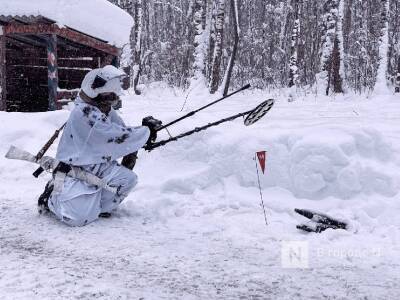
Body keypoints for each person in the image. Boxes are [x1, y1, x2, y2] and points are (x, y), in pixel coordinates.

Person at [38, 65, 161, 227]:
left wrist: (142, 136)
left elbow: (121, 131)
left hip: (96, 166)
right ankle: (51, 199)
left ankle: (96, 208)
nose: (112, 98)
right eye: (109, 95)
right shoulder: (83, 113)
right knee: (76, 219)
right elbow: (112, 136)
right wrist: (145, 132)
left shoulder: (103, 109)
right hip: (72, 171)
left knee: (127, 180)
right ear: (95, 91)